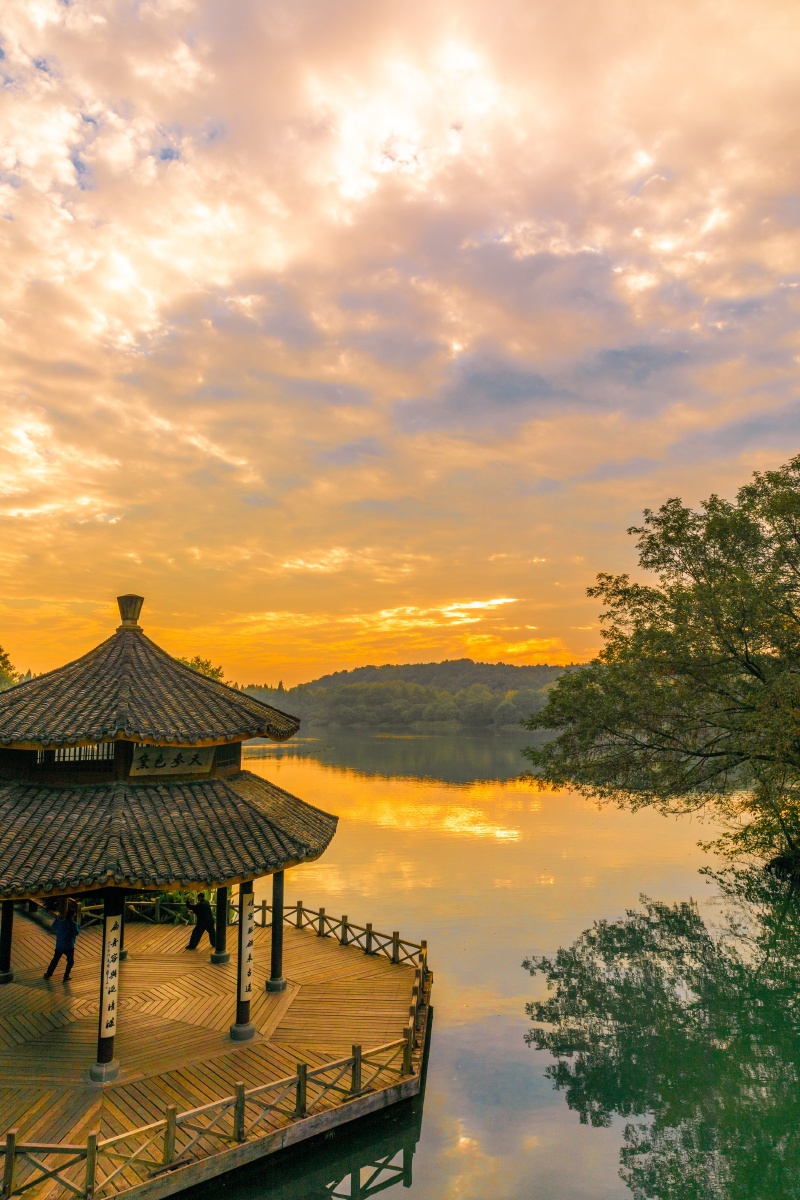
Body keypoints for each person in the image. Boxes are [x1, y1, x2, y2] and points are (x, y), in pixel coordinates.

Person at [44, 905, 80, 982]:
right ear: (73, 916)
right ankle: (66, 976)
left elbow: (53, 927)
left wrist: (57, 919)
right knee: (70, 961)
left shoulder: (61, 923)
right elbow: (77, 932)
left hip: (60, 945)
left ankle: (48, 973)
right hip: (69, 945)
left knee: (55, 960)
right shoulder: (73, 924)